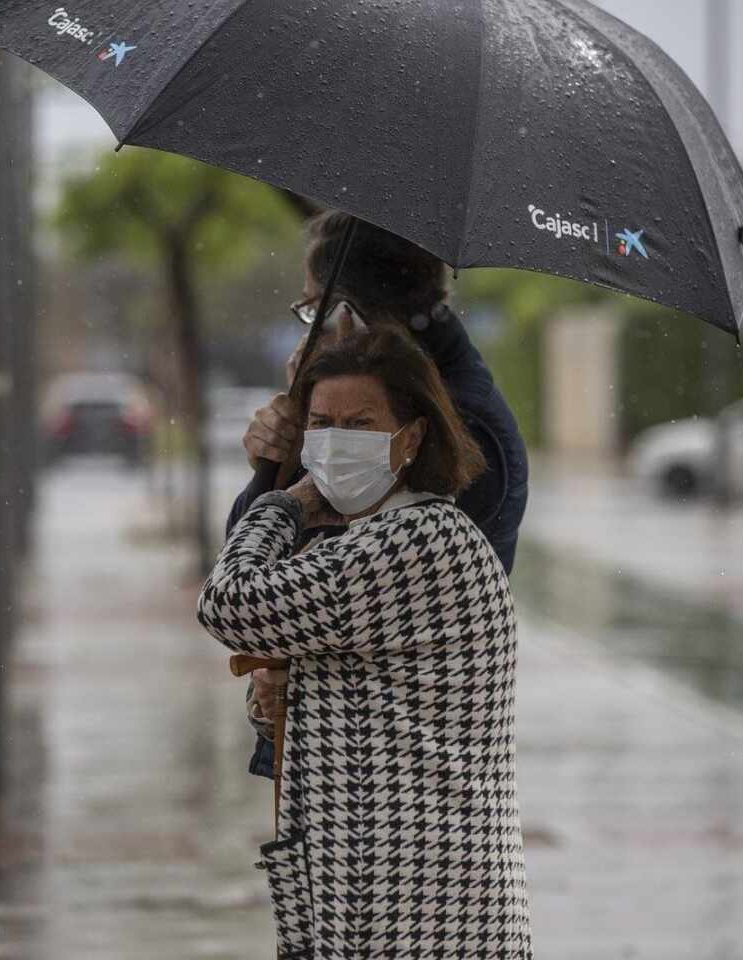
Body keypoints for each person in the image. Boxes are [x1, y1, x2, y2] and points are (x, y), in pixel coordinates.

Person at [198, 326, 533, 956]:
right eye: (320, 422)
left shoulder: (416, 541)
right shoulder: (367, 541)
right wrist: (278, 698)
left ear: (411, 437)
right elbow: (354, 692)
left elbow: (228, 603)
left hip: (418, 905)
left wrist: (284, 502)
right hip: (370, 893)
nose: (335, 441)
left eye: (360, 422)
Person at [227, 211, 529, 778]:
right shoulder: (371, 402)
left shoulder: (456, 428)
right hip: (347, 761)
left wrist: (287, 483)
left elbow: (256, 599)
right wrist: (274, 463)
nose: (309, 327)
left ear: (352, 313)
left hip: (397, 772)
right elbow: (259, 574)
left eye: (314, 308)